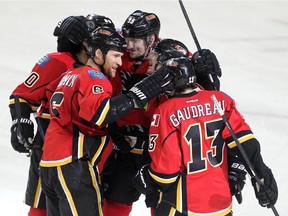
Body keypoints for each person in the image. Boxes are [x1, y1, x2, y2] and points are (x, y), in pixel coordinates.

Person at [39, 26, 173, 216]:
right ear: (99, 54)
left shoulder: (70, 75)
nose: (120, 62)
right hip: (73, 164)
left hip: (50, 165)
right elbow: (100, 114)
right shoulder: (94, 78)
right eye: (116, 56)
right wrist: (140, 94)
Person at [134, 57, 278, 215]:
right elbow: (245, 142)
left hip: (184, 205)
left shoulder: (166, 111)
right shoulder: (220, 100)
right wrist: (261, 173)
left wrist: (148, 178)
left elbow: (166, 172)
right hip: (220, 203)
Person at [8, 14, 115, 216]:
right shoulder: (58, 62)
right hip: (52, 144)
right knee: (43, 205)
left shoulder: (103, 68)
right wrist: (19, 123)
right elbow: (21, 95)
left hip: (86, 149)